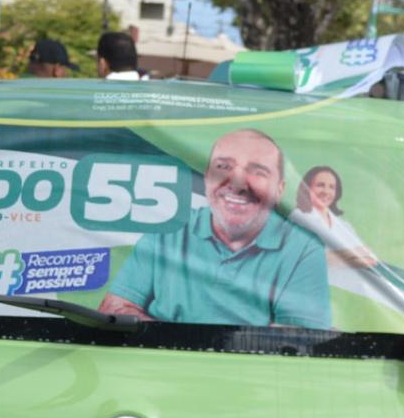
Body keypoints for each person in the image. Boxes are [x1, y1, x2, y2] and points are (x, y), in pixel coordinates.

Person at [99, 128, 330, 328]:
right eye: (223, 166)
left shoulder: (303, 247)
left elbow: (301, 340)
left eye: (258, 171)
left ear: (279, 190)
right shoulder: (167, 228)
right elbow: (114, 309)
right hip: (160, 364)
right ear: (207, 178)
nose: (237, 184)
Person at [290, 165, 377, 268]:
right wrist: (351, 255)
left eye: (331, 187)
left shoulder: (344, 226)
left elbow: (368, 256)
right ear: (307, 188)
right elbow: (302, 259)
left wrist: (348, 257)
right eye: (320, 185)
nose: (326, 191)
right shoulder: (298, 218)